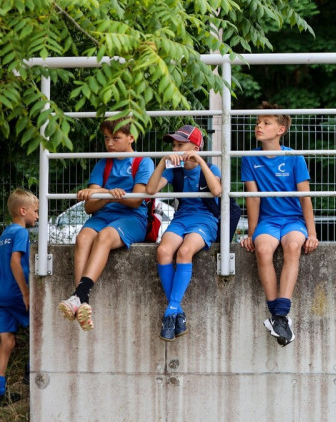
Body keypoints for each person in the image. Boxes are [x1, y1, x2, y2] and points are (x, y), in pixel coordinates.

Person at [58, 116, 155, 331]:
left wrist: (104, 194)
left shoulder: (143, 162)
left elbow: (137, 200)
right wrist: (109, 196)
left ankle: (79, 296)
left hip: (133, 218)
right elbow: (89, 207)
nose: (109, 143)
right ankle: (82, 301)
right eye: (106, 138)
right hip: (103, 215)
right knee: (83, 237)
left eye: (115, 138)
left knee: (105, 236)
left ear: (131, 138)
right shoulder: (103, 163)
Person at [240, 102, 319, 347]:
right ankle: (279, 317)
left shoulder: (294, 157)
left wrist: (312, 232)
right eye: (257, 122)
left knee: (294, 245)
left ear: (281, 129)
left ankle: (280, 315)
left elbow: (305, 197)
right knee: (262, 249)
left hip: (293, 220)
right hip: (268, 222)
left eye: (266, 122)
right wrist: (251, 233)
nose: (259, 127)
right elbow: (252, 199)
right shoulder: (249, 159)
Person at [145, 125, 222, 341]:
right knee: (163, 251)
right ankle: (176, 311)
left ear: (195, 147)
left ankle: (170, 312)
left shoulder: (210, 168)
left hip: (205, 220)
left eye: (181, 144)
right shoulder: (173, 171)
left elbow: (217, 191)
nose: (176, 148)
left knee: (185, 251)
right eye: (174, 145)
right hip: (181, 218)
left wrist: (200, 161)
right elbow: (150, 190)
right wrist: (162, 162)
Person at [0, 189, 38, 403]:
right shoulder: (21, 233)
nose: (38, 216)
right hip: (16, 293)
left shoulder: (5, 233)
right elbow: (16, 262)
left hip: (2, 294)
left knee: (7, 342)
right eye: (35, 211)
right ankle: (29, 373)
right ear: (23, 211)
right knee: (40, 327)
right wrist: (25, 292)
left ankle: (0, 390)